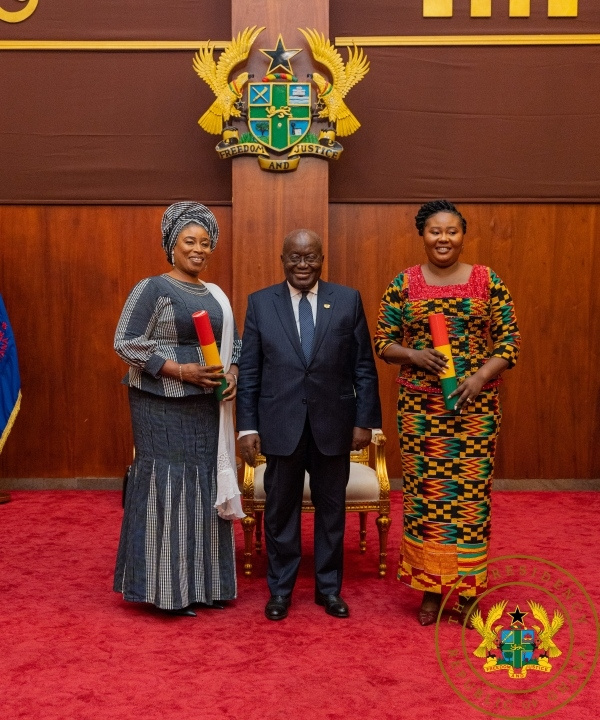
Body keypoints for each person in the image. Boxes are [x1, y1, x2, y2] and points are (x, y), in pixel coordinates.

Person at [374, 200, 521, 627]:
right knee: (428, 499)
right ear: (422, 235)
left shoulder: (487, 280)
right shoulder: (404, 283)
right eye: (435, 231)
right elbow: (383, 342)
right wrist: (415, 355)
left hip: (476, 409)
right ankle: (431, 591)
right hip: (422, 409)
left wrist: (478, 379)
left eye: (452, 231)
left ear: (463, 235)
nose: (443, 239)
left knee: (471, 501)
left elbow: (509, 342)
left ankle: (469, 590)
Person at [236, 229, 381, 621]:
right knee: (281, 511)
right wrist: (246, 427)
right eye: (295, 258)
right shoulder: (261, 303)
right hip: (279, 425)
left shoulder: (347, 300)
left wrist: (365, 421)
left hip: (333, 425)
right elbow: (249, 371)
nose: (303, 265)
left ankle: (328, 590)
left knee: (331, 511)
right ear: (282, 259)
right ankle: (280, 591)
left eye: (311, 257)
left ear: (321, 258)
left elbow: (363, 366)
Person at [113, 202, 244, 617]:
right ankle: (167, 590)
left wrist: (235, 373)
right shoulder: (151, 287)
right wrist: (180, 370)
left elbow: (235, 346)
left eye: (206, 243)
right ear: (172, 245)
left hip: (206, 407)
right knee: (168, 485)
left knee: (204, 485)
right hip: (160, 407)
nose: (199, 249)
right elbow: (126, 342)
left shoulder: (217, 296)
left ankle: (207, 585)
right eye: (190, 241)